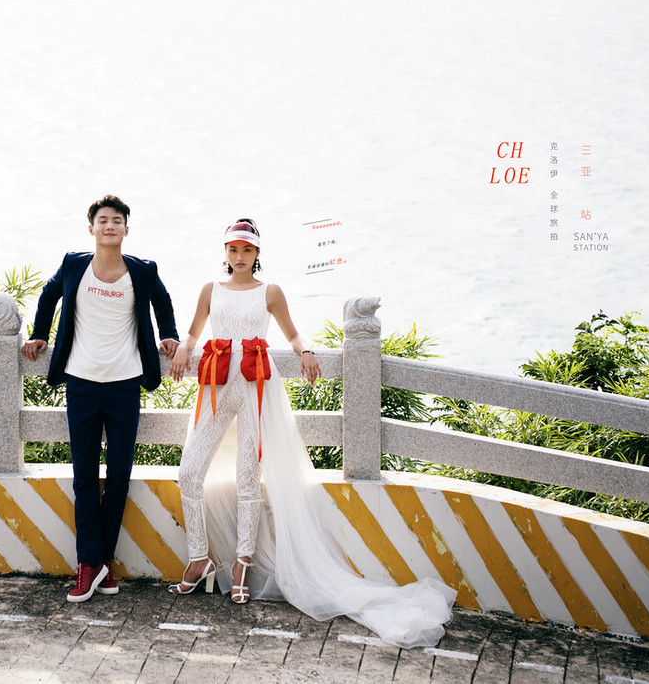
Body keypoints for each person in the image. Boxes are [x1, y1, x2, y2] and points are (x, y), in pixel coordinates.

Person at [168, 218, 456, 649]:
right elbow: (193, 330)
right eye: (233, 249)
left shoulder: (271, 292)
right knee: (189, 471)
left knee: (248, 476)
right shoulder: (211, 289)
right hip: (217, 381)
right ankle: (199, 558)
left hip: (256, 384)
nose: (239, 256)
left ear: (257, 253)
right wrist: (184, 350)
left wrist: (304, 351)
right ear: (225, 252)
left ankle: (243, 562)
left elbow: (291, 331)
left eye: (247, 249)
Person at [23, 195, 180, 603]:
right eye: (103, 220)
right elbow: (48, 295)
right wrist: (39, 333)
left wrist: (169, 334)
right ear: (91, 227)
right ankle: (88, 563)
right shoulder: (74, 264)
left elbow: (162, 301)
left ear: (127, 228)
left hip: (125, 384)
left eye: (117, 221)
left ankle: (102, 562)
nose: (110, 226)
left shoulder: (142, 270)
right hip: (82, 383)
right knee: (84, 477)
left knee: (120, 475)